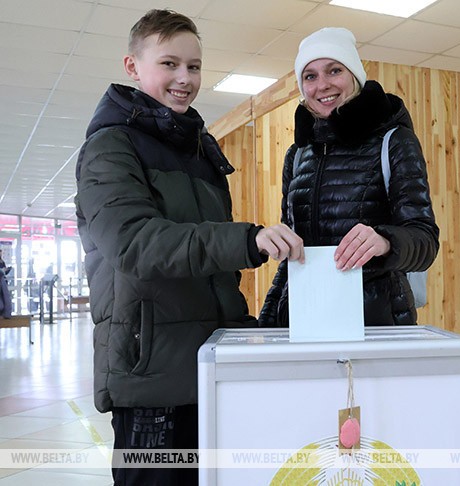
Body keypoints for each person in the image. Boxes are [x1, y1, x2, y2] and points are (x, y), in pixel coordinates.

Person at [74, 9, 302, 486]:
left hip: (210, 366)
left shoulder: (199, 149)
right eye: (170, 64)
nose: (185, 79)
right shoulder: (110, 147)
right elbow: (134, 244)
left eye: (194, 67)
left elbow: (213, 273)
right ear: (133, 66)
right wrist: (246, 238)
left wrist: (246, 334)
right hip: (152, 375)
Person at [259, 27, 439, 327]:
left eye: (334, 70)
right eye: (310, 76)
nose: (323, 85)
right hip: (307, 315)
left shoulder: (393, 141)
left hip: (374, 319)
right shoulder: (297, 154)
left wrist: (385, 241)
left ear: (354, 75)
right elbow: (294, 253)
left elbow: (425, 241)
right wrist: (269, 318)